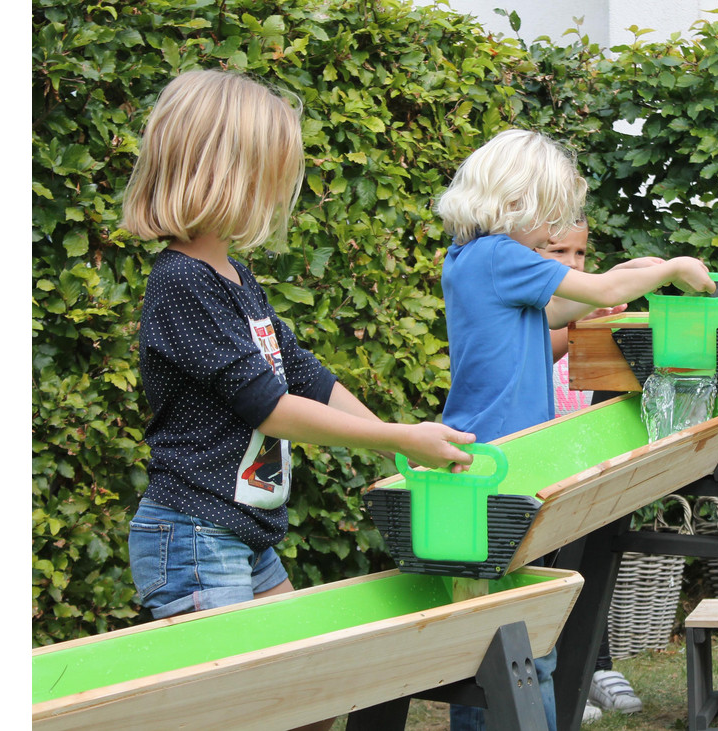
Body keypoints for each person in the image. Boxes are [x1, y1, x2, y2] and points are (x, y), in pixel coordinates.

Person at [121, 69, 474, 731]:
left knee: (309, 699)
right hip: (196, 534)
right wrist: (398, 438)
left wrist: (401, 447)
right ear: (223, 173)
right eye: (269, 174)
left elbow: (302, 374)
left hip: (242, 536)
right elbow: (270, 405)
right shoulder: (181, 283)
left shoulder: (232, 276)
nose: (277, 194)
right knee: (241, 711)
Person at [437, 128, 714, 731]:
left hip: (475, 461)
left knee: (488, 630)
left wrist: (623, 276)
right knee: (519, 640)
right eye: (549, 217)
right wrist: (672, 269)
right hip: (504, 467)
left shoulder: (468, 258)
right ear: (519, 203)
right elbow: (600, 290)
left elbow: (559, 308)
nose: (554, 232)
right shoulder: (501, 254)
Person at [538, 220, 649, 723]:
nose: (572, 263)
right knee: (551, 569)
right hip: (544, 461)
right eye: (558, 250)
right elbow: (544, 345)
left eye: (580, 252)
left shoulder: (576, 302)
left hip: (582, 455)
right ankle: (563, 678)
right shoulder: (530, 305)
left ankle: (593, 666)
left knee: (588, 561)